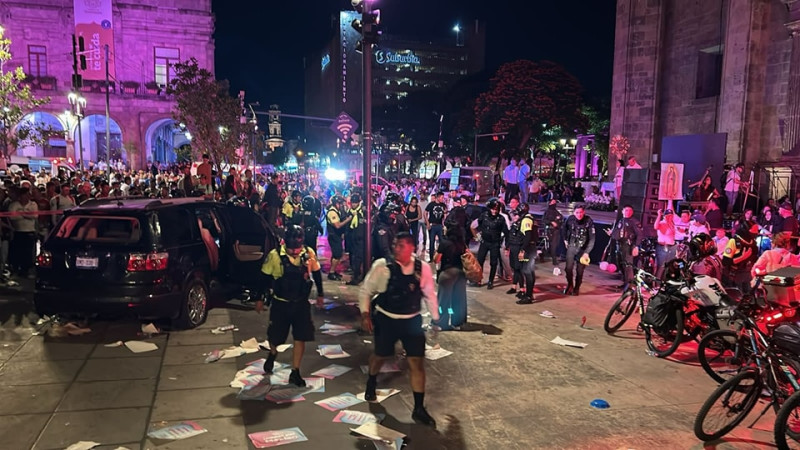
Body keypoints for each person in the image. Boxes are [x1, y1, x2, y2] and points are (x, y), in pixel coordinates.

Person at [360, 232, 439, 427]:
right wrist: (365, 314)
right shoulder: (383, 266)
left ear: (412, 248)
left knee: (416, 363)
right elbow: (366, 290)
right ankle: (372, 380)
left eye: (401, 245)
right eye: (395, 244)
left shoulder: (423, 268)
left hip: (411, 321)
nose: (396, 248)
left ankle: (419, 408)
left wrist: (436, 319)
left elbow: (429, 294)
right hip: (386, 320)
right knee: (380, 356)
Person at [254, 225, 324, 387]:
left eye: (297, 248)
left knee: (300, 337)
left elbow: (317, 273)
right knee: (275, 337)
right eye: (292, 248)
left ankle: (295, 371)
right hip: (280, 304)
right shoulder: (275, 255)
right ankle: (272, 353)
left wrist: (320, 294)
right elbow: (264, 278)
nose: (295, 252)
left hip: (301, 304)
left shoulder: (308, 254)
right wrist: (258, 298)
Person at [434, 225, 467, 330]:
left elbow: (436, 259)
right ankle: (457, 323)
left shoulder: (444, 243)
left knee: (443, 300)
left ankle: (440, 323)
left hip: (447, 273)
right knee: (458, 300)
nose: (444, 229)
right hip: (460, 274)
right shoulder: (461, 243)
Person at [473, 198, 508, 289]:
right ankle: (479, 280)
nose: (494, 211)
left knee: (493, 263)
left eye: (496, 209)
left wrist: (506, 245)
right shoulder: (484, 215)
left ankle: (490, 281)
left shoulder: (501, 219)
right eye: (492, 209)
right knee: (480, 261)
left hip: (495, 243)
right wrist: (478, 237)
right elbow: (473, 226)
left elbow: (506, 232)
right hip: (484, 242)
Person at [607, 205, 642, 289]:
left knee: (628, 266)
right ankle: (625, 282)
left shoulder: (634, 222)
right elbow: (617, 232)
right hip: (620, 245)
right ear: (622, 211)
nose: (627, 212)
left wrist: (636, 246)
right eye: (626, 210)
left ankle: (629, 285)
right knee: (621, 264)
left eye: (629, 211)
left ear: (632, 212)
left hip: (628, 246)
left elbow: (640, 235)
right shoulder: (621, 221)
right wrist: (611, 234)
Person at [563, 205, 595, 296]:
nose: (579, 214)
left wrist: (586, 253)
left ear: (584, 212)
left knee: (579, 271)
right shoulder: (570, 219)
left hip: (583, 249)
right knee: (568, 268)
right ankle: (570, 285)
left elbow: (592, 239)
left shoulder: (589, 221)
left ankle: (576, 288)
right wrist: (565, 240)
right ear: (574, 213)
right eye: (577, 212)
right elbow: (564, 229)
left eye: (581, 212)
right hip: (572, 246)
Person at [722, 220, 759, 293]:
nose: (756, 232)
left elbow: (755, 258)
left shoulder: (753, 242)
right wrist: (742, 257)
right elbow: (725, 261)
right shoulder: (734, 241)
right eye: (754, 230)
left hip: (748, 276)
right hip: (734, 276)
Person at [514, 203, 538, 304]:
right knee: (530, 272)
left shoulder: (526, 220)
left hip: (528, 249)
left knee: (528, 272)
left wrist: (523, 249)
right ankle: (529, 294)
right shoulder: (531, 218)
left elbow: (528, 236)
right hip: (532, 248)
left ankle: (528, 296)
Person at [325, 195, 352, 280]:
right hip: (334, 236)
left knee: (336, 254)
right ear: (336, 203)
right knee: (337, 255)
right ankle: (331, 272)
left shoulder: (337, 211)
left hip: (337, 236)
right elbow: (337, 225)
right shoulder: (332, 212)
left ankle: (333, 271)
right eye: (340, 203)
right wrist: (348, 219)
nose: (341, 205)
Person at [346, 193, 366, 285]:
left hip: (361, 239)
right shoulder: (350, 212)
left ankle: (357, 277)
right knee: (353, 257)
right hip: (352, 237)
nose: (354, 204)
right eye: (352, 203)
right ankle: (356, 274)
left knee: (358, 258)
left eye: (355, 203)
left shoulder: (362, 211)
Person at [654, 209, 677, 280]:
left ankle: (664, 283)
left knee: (669, 266)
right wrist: (659, 215)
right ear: (664, 216)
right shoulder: (662, 223)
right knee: (661, 266)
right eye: (668, 216)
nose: (670, 217)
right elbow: (656, 227)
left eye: (671, 216)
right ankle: (657, 284)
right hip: (663, 247)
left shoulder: (672, 224)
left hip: (671, 247)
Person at [425, 192, 447, 262]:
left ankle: (441, 257)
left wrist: (444, 223)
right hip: (432, 225)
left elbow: (445, 215)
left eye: (443, 198)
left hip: (440, 226)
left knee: (442, 242)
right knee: (432, 242)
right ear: (438, 197)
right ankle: (431, 258)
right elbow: (425, 213)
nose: (442, 199)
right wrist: (427, 223)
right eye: (441, 197)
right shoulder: (431, 204)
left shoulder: (443, 205)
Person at [542, 199, 564, 267]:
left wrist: (558, 222)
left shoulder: (557, 212)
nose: (554, 203)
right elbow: (544, 220)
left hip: (556, 231)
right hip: (549, 230)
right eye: (553, 202)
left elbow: (561, 219)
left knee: (554, 245)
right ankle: (543, 254)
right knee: (549, 246)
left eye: (555, 202)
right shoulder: (547, 212)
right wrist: (551, 222)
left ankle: (554, 259)